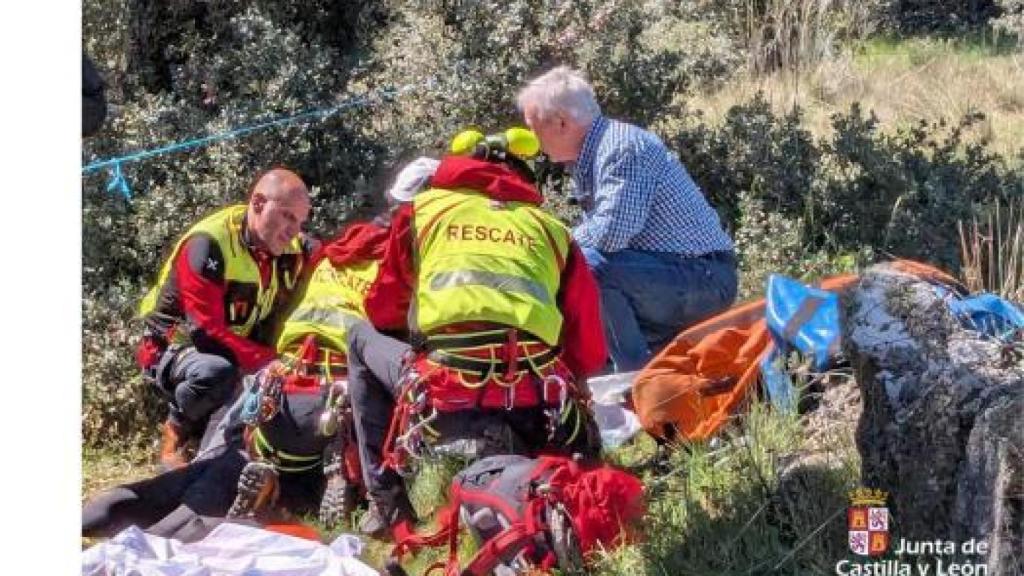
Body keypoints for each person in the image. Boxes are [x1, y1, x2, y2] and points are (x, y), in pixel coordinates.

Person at [346, 129, 607, 543]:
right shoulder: (552, 229)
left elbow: (383, 308)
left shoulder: (424, 212)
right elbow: (587, 343)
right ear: (524, 177)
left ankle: (387, 505)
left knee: (359, 336)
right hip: (537, 401)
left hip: (448, 395)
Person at [517, 66, 738, 372]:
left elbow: (612, 234)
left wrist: (548, 245)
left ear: (561, 122)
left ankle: (633, 379)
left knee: (589, 266)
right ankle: (612, 377)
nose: (533, 139)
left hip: (704, 278)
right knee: (578, 284)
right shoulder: (596, 152)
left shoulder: (621, 147)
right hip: (674, 275)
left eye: (534, 127)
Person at [136, 168, 313, 469]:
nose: (294, 231)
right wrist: (269, 361)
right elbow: (206, 332)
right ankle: (176, 432)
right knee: (217, 372)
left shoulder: (288, 244)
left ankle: (228, 447)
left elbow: (329, 254)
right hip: (171, 343)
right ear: (258, 204)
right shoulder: (208, 244)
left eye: (300, 221)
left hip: (231, 339)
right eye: (287, 216)